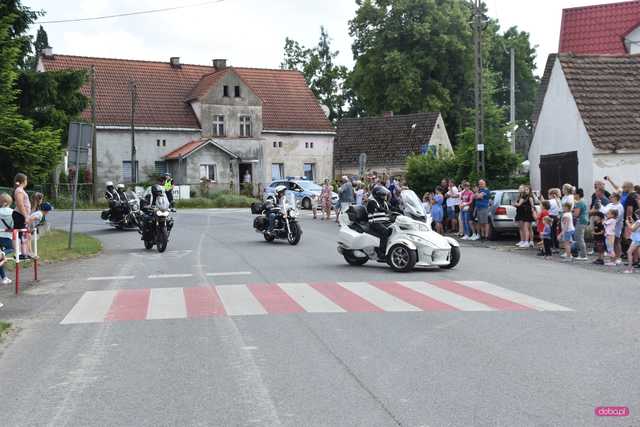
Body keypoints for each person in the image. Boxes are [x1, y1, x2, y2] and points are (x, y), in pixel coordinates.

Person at [366, 186, 393, 259]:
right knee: (385, 231)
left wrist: (401, 211)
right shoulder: (372, 202)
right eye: (382, 195)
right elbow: (378, 208)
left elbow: (393, 208)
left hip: (384, 222)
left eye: (384, 195)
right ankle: (381, 252)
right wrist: (384, 210)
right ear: (376, 195)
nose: (384, 196)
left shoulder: (385, 203)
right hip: (374, 223)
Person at [600, 193, 624, 265]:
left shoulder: (620, 206)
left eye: (612, 197)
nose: (610, 198)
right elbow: (604, 210)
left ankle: (618, 258)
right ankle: (613, 259)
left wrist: (607, 220)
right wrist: (600, 206)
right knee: (611, 245)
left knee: (617, 241)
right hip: (608, 227)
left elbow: (617, 217)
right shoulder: (610, 204)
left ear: (616, 198)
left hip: (615, 226)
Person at [13, 173, 31, 259]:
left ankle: (23, 253)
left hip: (21, 215)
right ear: (23, 181)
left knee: (22, 234)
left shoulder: (21, 190)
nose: (27, 181)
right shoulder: (19, 190)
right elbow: (20, 205)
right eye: (26, 180)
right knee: (20, 234)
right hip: (19, 215)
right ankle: (19, 253)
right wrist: (25, 216)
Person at [573, 188, 589, 261]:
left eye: (574, 194)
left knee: (579, 237)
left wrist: (571, 212)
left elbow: (576, 214)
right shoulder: (583, 201)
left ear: (578, 194)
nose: (573, 195)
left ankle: (583, 255)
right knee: (578, 237)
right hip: (584, 220)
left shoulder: (579, 203)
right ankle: (581, 253)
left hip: (581, 220)